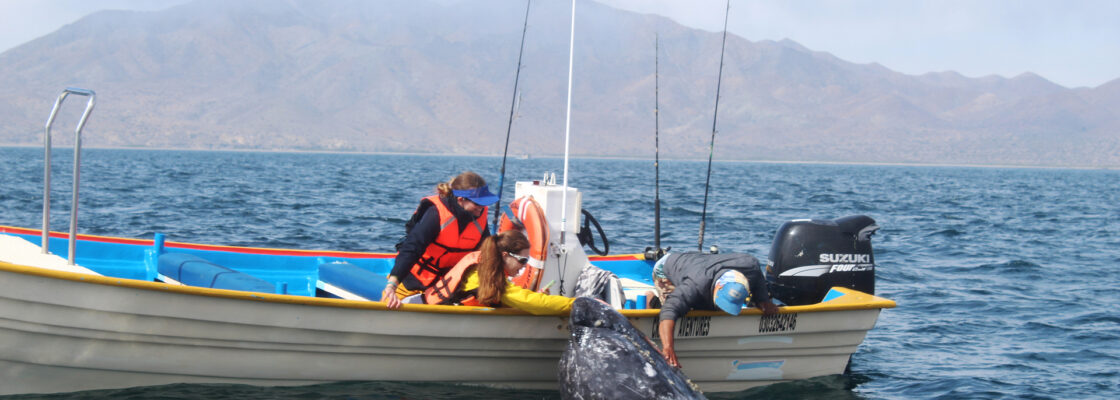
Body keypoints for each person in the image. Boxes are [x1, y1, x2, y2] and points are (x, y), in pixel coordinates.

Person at [383, 171, 498, 309]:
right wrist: (392, 284)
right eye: (478, 203)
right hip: (414, 281)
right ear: (461, 199)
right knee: (387, 306)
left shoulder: (479, 215)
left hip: (449, 284)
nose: (482, 207)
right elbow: (411, 249)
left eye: (484, 202)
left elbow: (486, 251)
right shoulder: (435, 214)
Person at [652, 252, 779, 368]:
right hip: (666, 268)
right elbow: (669, 310)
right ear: (716, 287)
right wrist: (668, 347)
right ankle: (651, 300)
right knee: (681, 306)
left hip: (700, 263)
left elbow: (757, 275)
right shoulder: (694, 286)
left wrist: (764, 300)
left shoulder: (750, 267)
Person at [423, 230, 575, 314]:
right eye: (522, 260)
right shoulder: (485, 275)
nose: (524, 266)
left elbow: (515, 298)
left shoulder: (485, 264)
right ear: (505, 256)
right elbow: (530, 302)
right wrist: (576, 304)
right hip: (434, 315)